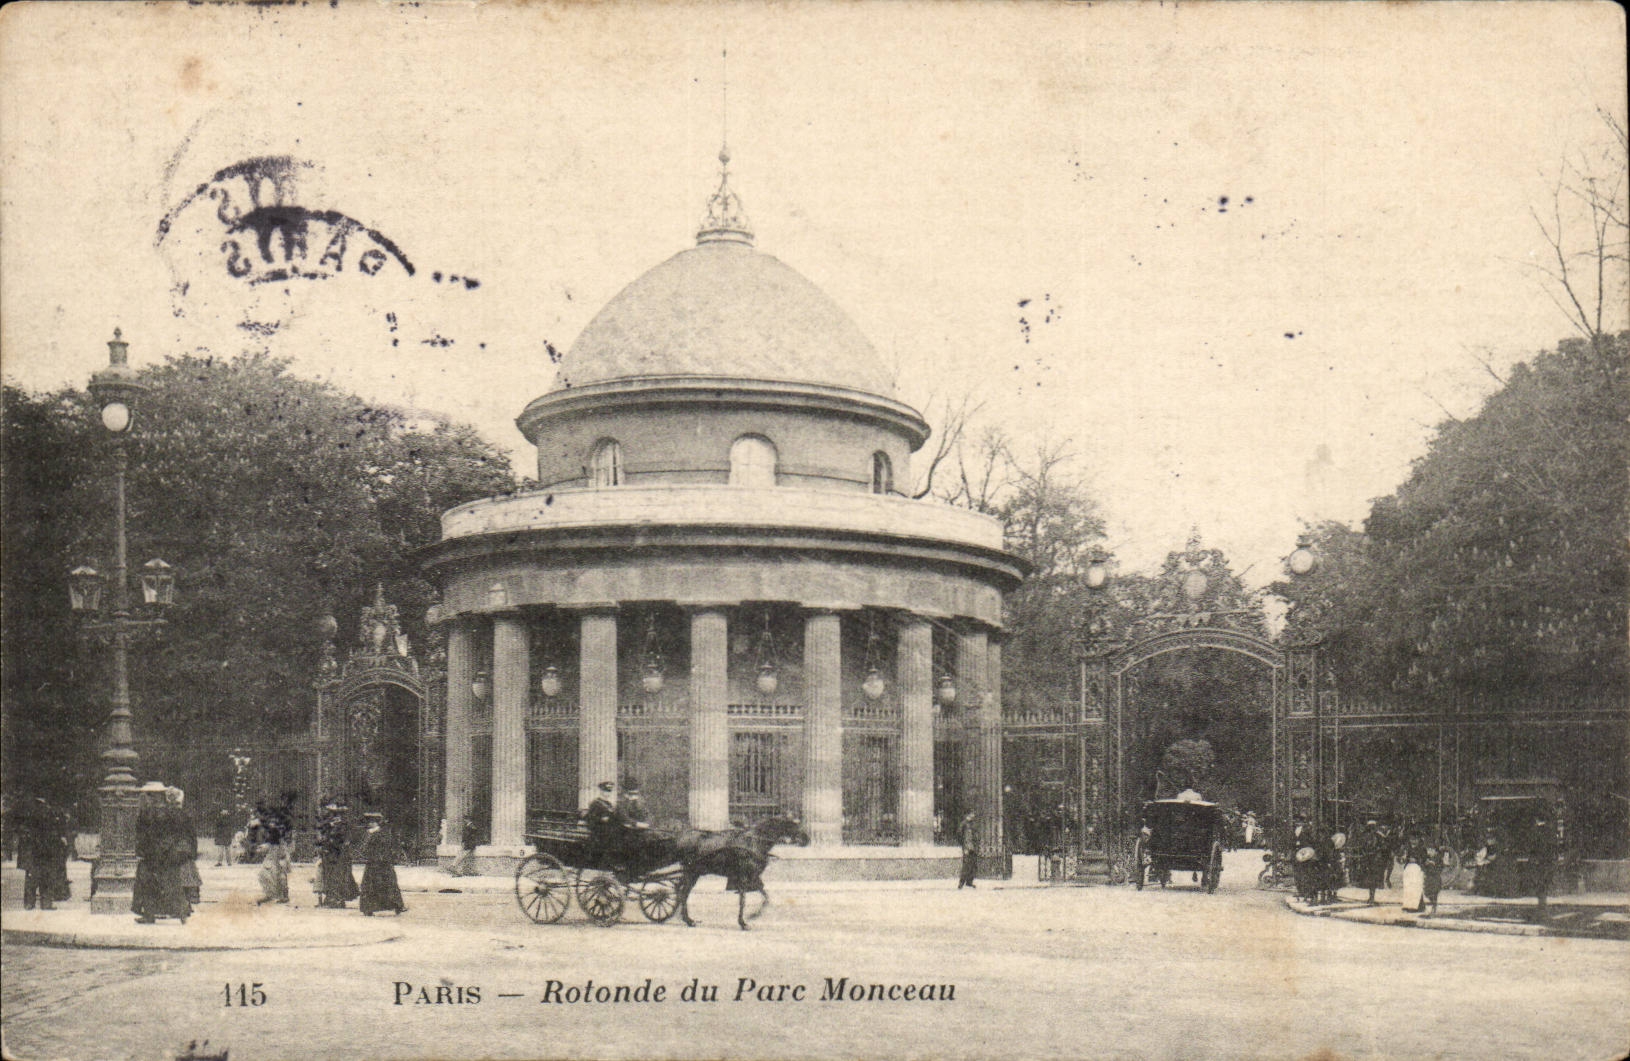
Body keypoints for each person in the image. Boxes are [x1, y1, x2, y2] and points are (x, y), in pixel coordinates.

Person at [133, 783, 193, 923]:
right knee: (166, 882)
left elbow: (154, 833)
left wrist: (154, 848)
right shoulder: (166, 811)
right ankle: (178, 913)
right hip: (161, 852)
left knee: (156, 882)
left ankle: (152, 914)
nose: (146, 797)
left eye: (149, 795)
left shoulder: (155, 812)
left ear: (155, 795)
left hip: (159, 853)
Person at [20, 796, 70, 911]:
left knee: (32, 876)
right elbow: (53, 830)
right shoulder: (47, 811)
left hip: (33, 850)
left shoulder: (29, 810)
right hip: (45, 850)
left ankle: (29, 903)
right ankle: (45, 903)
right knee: (46, 876)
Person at [358, 812, 407, 916]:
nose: (370, 824)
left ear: (376, 823)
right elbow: (363, 848)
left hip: (381, 862)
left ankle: (397, 905)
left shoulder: (382, 833)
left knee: (387, 884)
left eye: (372, 822)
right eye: (369, 822)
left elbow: (386, 847)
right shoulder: (371, 833)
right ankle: (369, 908)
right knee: (376, 885)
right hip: (376, 862)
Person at [316, 801, 359, 908]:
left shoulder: (344, 826)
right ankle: (331, 899)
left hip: (339, 856)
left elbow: (346, 841)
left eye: (334, 813)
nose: (332, 815)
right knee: (330, 876)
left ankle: (338, 900)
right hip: (329, 855)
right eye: (331, 813)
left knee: (339, 877)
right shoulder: (329, 825)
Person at [170, 788, 203, 905]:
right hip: (185, 849)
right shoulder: (186, 816)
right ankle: (190, 897)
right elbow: (192, 835)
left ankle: (181, 900)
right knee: (188, 874)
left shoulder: (167, 815)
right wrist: (193, 850)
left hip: (174, 849)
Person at [255, 814, 291, 905]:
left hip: (278, 858)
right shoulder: (277, 834)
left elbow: (273, 845)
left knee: (275, 876)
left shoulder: (276, 834)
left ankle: (276, 895)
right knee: (276, 876)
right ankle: (278, 895)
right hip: (278, 857)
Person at [957, 813, 978, 889]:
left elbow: (975, 835)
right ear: (968, 815)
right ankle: (961, 883)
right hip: (967, 847)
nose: (973, 816)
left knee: (973, 865)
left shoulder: (973, 824)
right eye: (971, 814)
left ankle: (969, 882)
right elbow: (959, 834)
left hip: (973, 847)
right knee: (966, 866)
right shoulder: (964, 824)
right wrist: (963, 845)